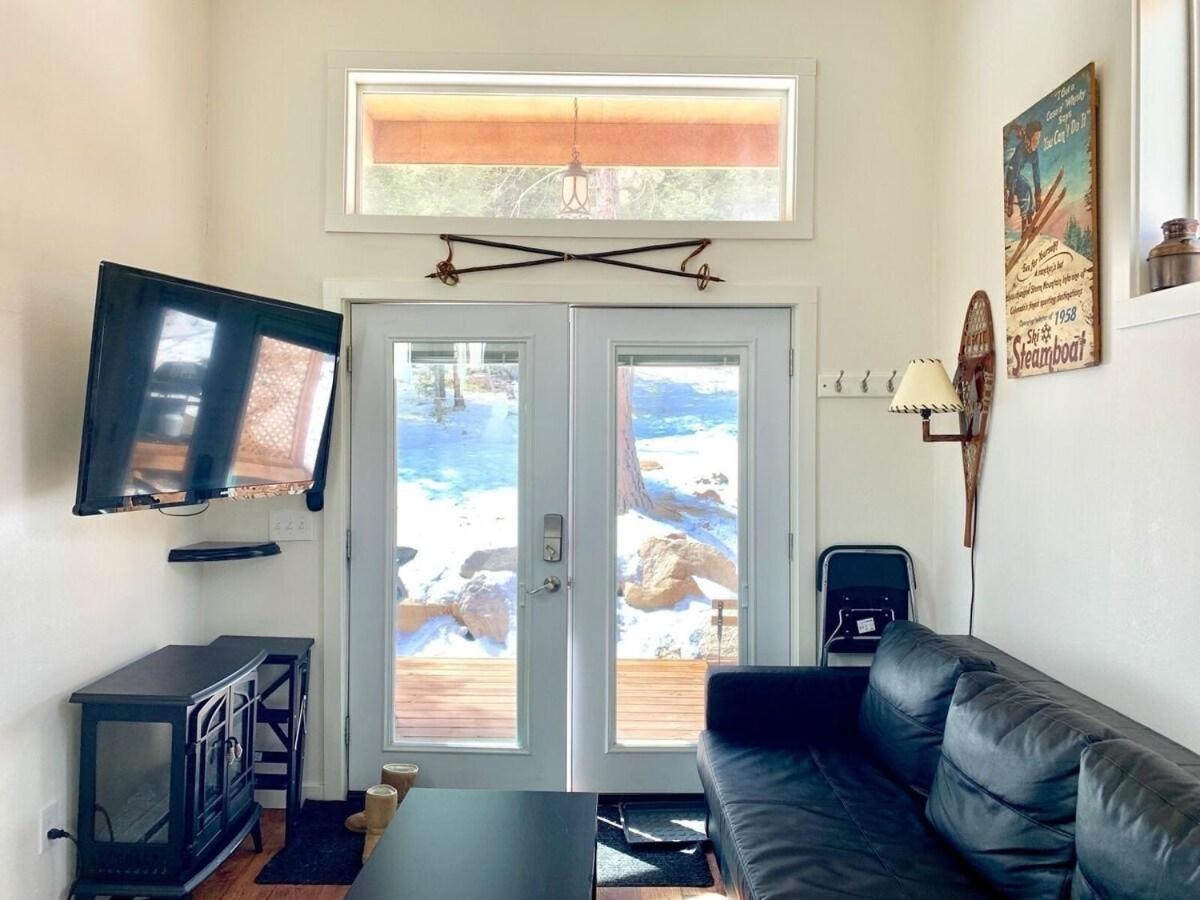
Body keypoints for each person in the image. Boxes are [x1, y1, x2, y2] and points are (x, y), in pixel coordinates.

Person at [1005, 120, 1043, 231]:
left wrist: (1038, 195)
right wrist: (1010, 201)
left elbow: (1036, 173)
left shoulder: (1034, 152)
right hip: (1010, 176)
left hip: (1016, 176)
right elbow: (1014, 175)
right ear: (1029, 138)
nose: (1037, 142)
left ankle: (1029, 223)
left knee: (1028, 188)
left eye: (1038, 139)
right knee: (1025, 188)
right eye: (1035, 139)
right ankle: (1025, 225)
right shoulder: (1021, 150)